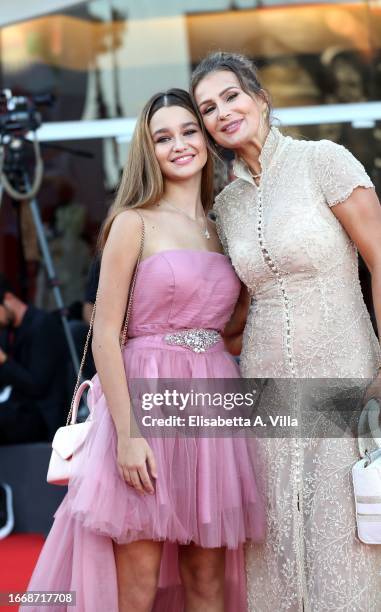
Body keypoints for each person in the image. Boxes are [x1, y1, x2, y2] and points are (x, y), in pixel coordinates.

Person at [23, 89, 264, 612]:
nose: (179, 144)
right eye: (162, 136)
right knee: (138, 582)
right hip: (144, 403)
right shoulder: (132, 221)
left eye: (188, 130)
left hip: (210, 408)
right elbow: (105, 335)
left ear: (205, 138)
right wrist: (128, 437)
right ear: (147, 150)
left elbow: (233, 326)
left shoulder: (224, 229)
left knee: (207, 578)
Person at [191, 52, 381, 612]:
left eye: (230, 96)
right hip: (266, 385)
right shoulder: (225, 205)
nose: (222, 112)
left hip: (344, 373)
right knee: (275, 536)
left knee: (345, 533)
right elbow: (238, 311)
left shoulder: (324, 161)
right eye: (207, 108)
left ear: (260, 97)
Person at [0, 275, 69, 443]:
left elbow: (37, 385)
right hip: (17, 409)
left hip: (42, 416)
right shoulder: (7, 331)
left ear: (8, 298)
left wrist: (4, 361)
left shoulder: (42, 325)